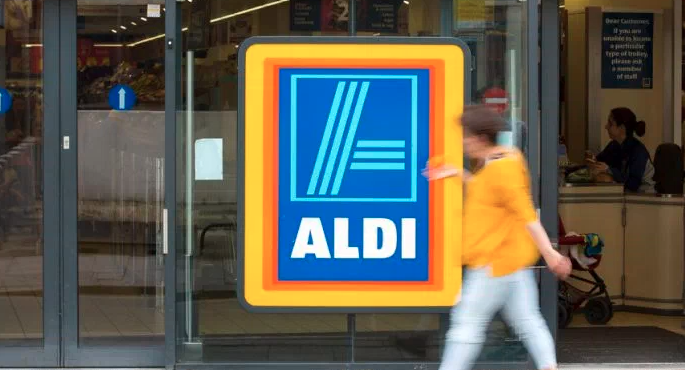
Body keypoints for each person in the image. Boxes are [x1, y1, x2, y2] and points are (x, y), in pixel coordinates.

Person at [423, 105, 571, 370]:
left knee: (464, 329)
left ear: (480, 138)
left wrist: (551, 255)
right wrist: (458, 174)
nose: (463, 142)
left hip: (492, 265)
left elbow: (526, 215)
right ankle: (550, 367)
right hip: (512, 266)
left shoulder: (502, 169)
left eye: (465, 136)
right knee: (529, 323)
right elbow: (488, 193)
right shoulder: (505, 158)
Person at [587, 107, 655, 193]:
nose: (606, 127)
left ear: (622, 128)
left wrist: (608, 170)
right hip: (624, 194)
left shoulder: (638, 151)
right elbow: (600, 161)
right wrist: (592, 161)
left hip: (643, 198)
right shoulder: (613, 145)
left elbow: (633, 184)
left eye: (610, 124)